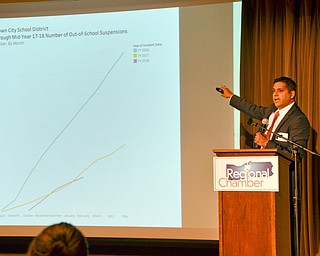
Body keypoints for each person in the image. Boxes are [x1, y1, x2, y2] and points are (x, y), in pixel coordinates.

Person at [218, 76, 310, 159]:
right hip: (260, 169)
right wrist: (231, 96)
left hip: (281, 173)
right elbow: (252, 109)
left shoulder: (298, 120)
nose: (275, 94)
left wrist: (266, 143)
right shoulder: (271, 110)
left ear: (292, 94)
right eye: (274, 91)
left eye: (280, 90)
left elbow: (296, 155)